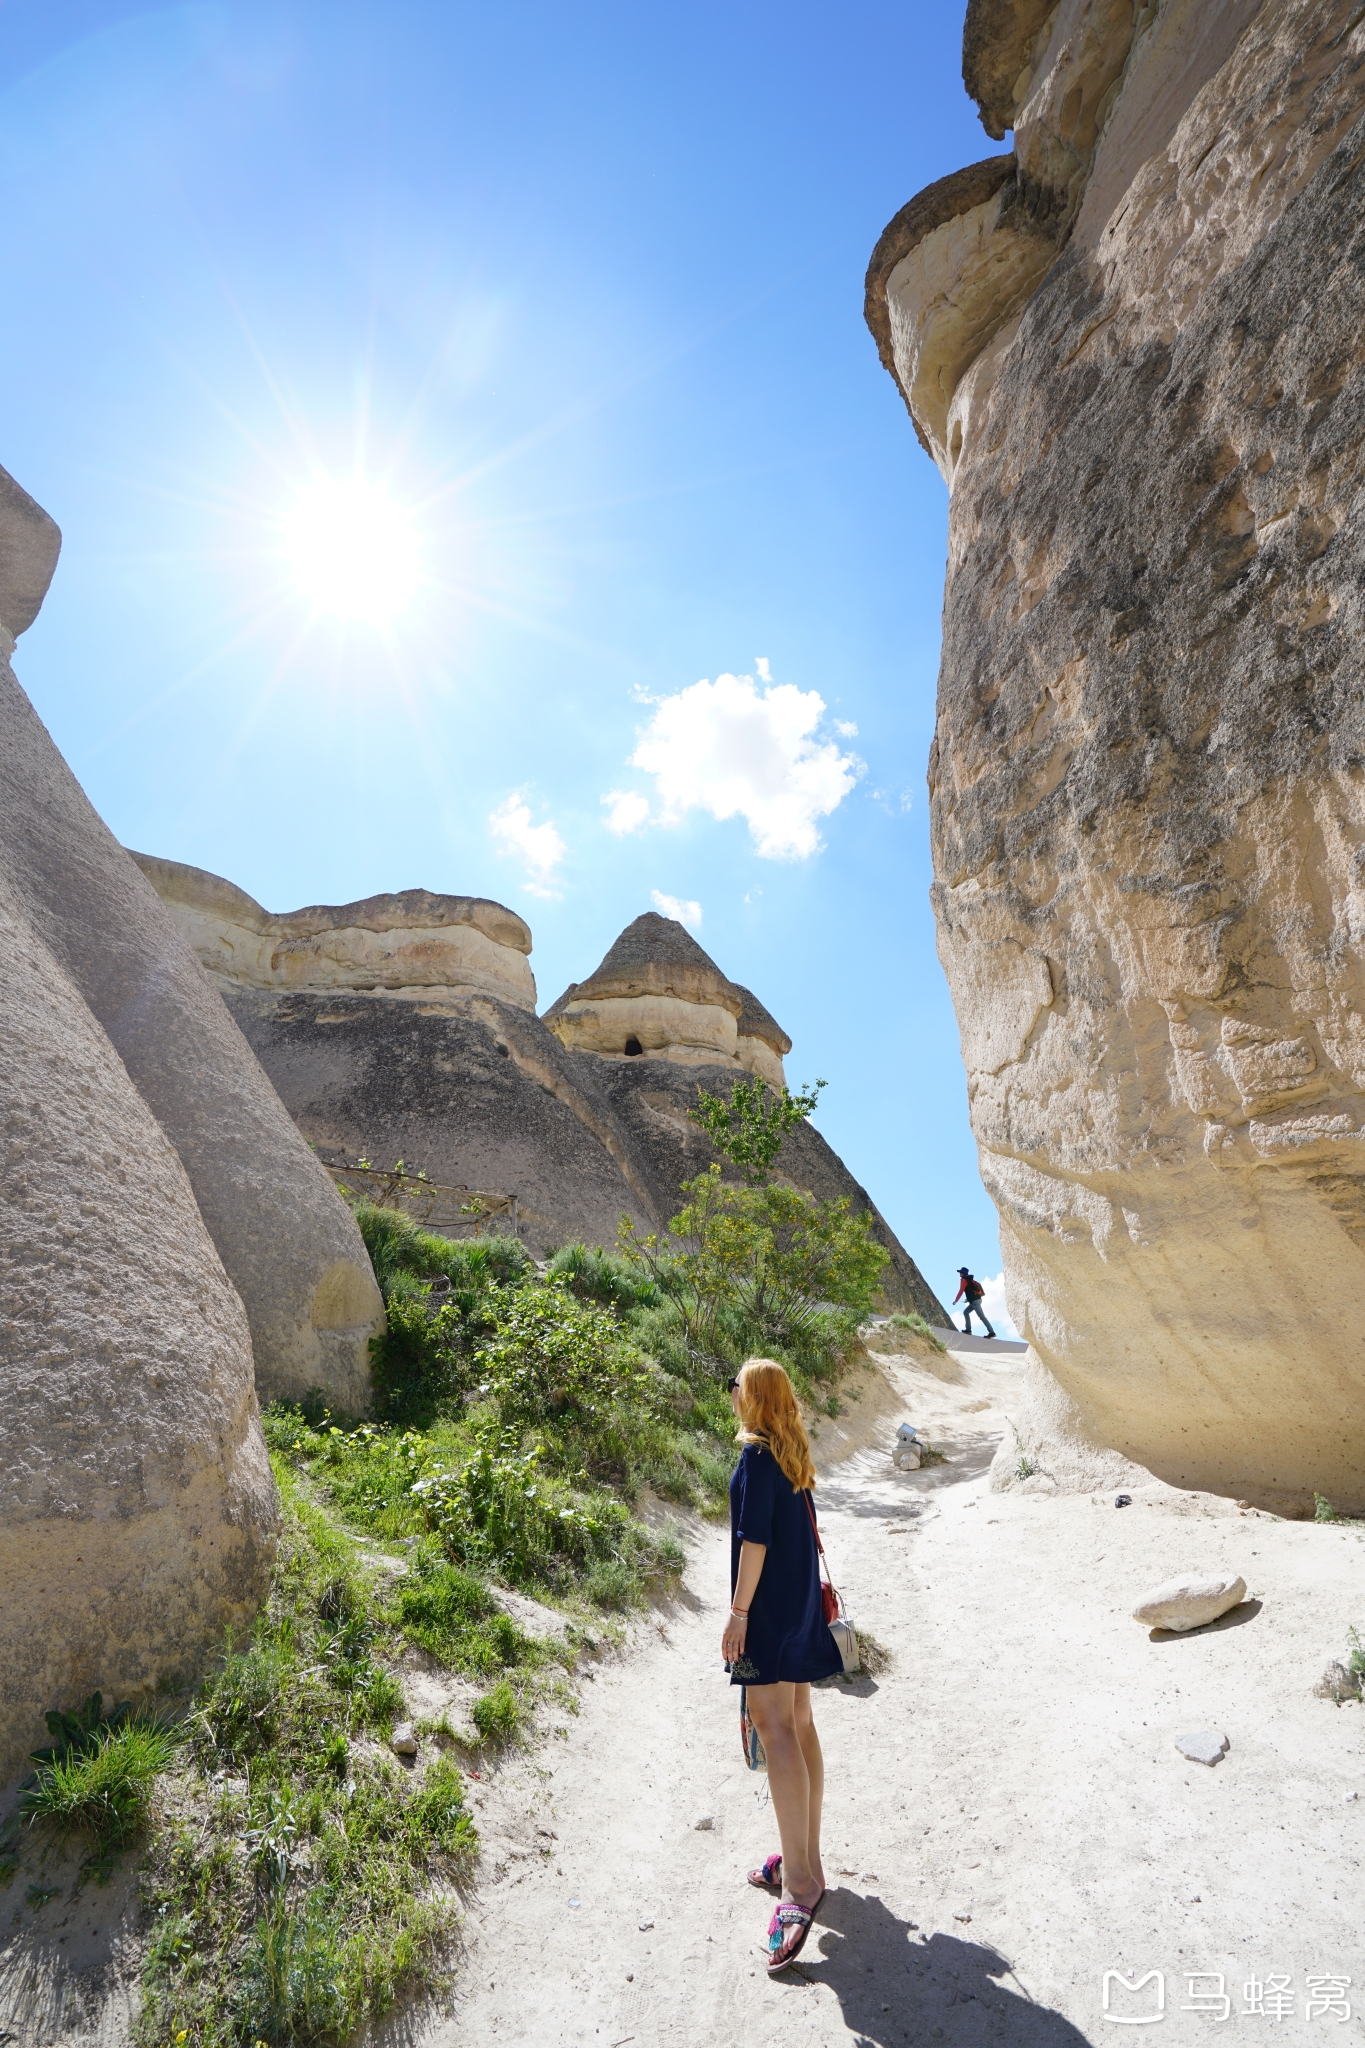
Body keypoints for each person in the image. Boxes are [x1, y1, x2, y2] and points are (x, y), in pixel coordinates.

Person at [720, 1358, 840, 1975]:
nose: (730, 1392)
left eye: (736, 1384)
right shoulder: (792, 1457)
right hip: (799, 1609)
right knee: (799, 1722)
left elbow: (755, 1542)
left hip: (767, 1612)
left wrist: (738, 1614)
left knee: (774, 1727)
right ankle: (807, 1861)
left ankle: (799, 1885)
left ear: (755, 1397)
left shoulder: (755, 1460)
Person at [953, 1266, 995, 1337]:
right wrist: (968, 1299)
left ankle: (991, 1332)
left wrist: (956, 1300)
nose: (959, 1273)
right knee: (966, 1312)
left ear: (963, 1273)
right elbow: (971, 1290)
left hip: (975, 1301)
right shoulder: (970, 1279)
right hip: (976, 1300)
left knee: (981, 1316)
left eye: (960, 1272)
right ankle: (968, 1330)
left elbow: (961, 1291)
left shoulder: (964, 1280)